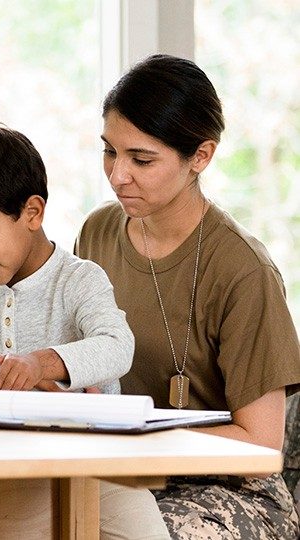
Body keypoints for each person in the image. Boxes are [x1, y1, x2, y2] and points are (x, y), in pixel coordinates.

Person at [0, 119, 171, 539]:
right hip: (12, 470)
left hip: (98, 471)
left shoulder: (80, 279)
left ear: (32, 213)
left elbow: (116, 346)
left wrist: (44, 363)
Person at [76, 53, 300, 539]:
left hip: (233, 493)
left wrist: (136, 436)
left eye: (142, 159)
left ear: (200, 156)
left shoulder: (244, 271)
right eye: (110, 151)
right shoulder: (96, 233)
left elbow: (260, 445)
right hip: (121, 475)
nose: (117, 175)